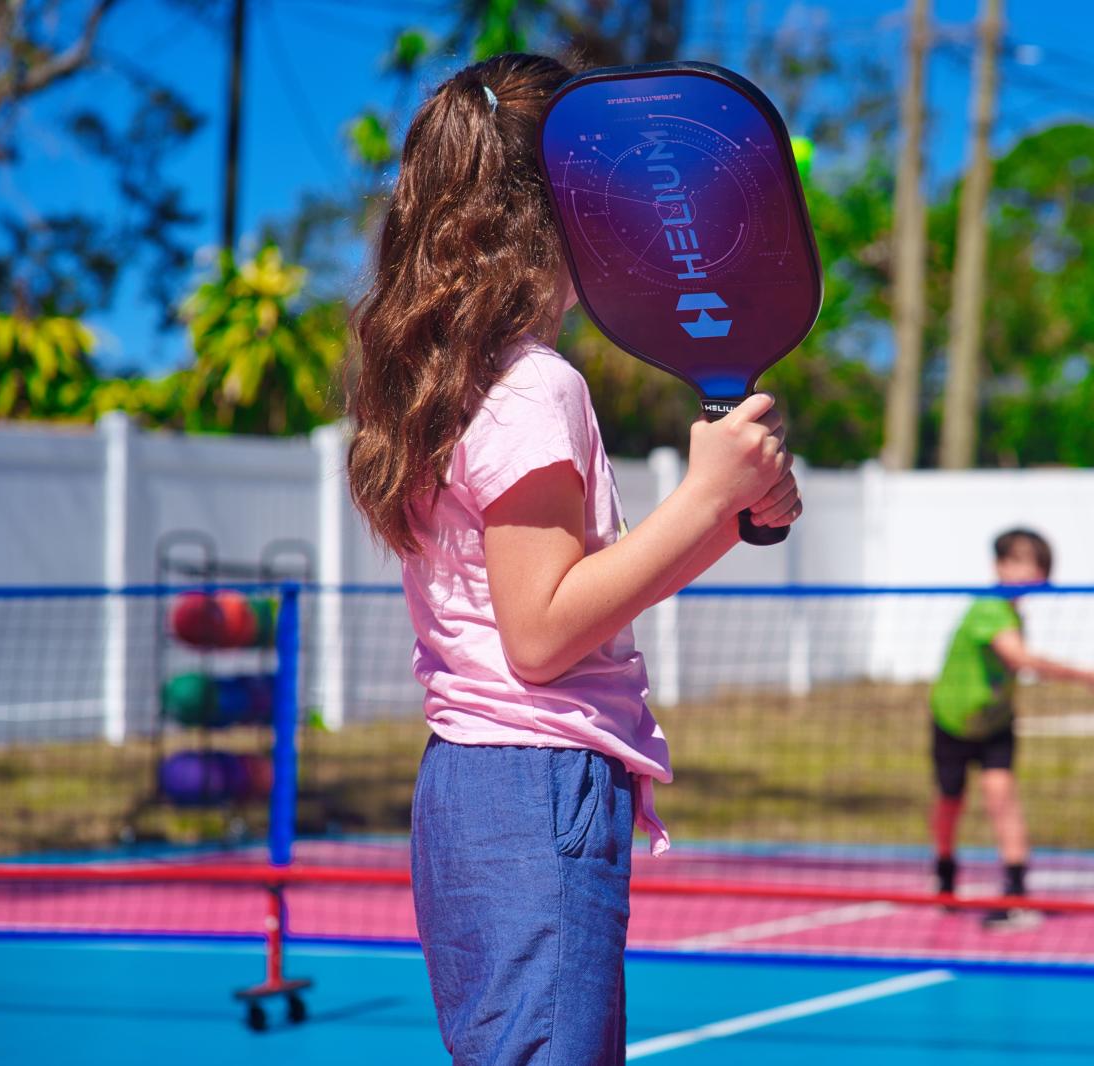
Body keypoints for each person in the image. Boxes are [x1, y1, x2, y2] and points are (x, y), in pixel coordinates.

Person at [343, 53, 801, 1065]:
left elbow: (557, 603)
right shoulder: (532, 386)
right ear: (569, 209)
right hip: (531, 786)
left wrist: (721, 517)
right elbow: (545, 632)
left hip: (482, 787)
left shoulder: (453, 378)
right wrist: (702, 495)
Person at [929, 528, 1094, 932]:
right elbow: (1019, 660)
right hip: (952, 720)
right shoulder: (990, 607)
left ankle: (1015, 896)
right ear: (999, 566)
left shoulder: (1015, 612)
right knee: (950, 804)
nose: (1026, 569)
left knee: (1002, 797)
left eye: (1034, 562)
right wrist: (1087, 676)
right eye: (1017, 560)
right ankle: (946, 874)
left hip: (996, 723)